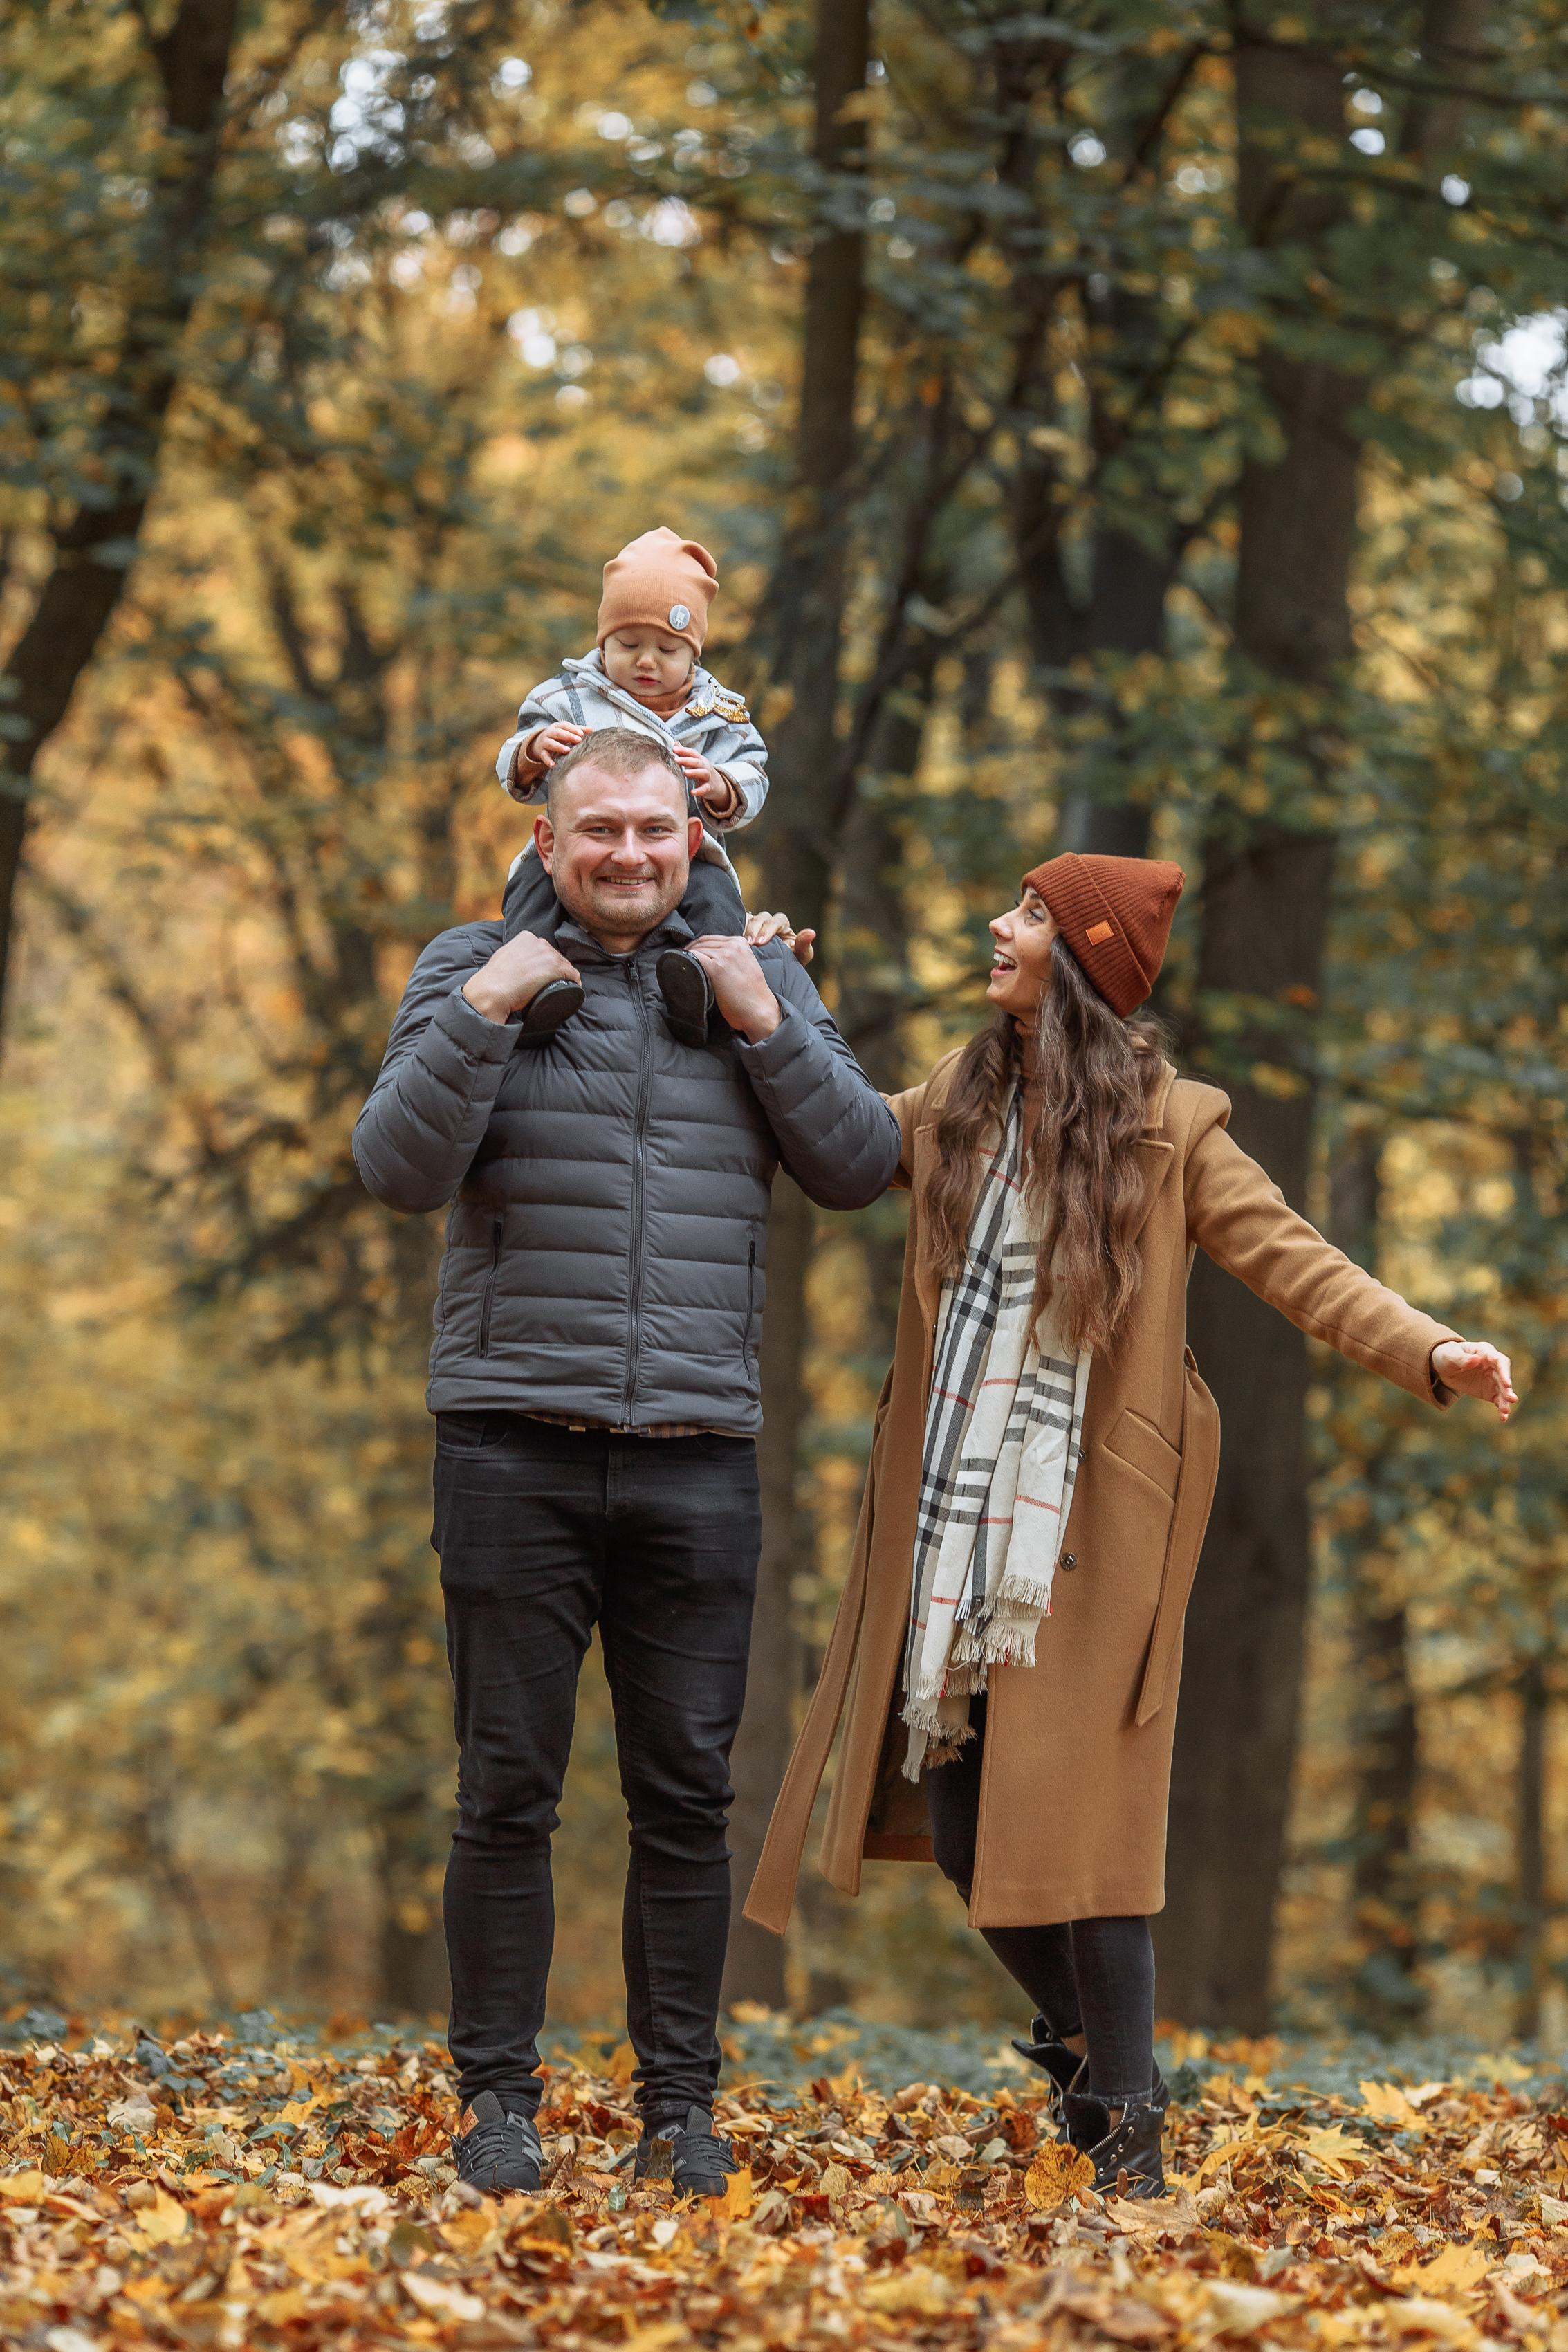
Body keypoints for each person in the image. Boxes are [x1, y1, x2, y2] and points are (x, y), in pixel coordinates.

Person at [744, 849, 1515, 2198]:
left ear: (1086, 959)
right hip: (955, 1517)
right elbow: (852, 1135)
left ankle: (1125, 2141)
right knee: (966, 1828)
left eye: (1030, 914)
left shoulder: (1169, 1128)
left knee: (1089, 1842)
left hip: (1085, 1522)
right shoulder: (959, 1098)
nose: (998, 925)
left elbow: (1293, 1258)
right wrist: (781, 996)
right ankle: (1111, 2076)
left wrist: (1429, 1346)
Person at [352, 728, 900, 2200]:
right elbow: (395, 1168)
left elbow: (859, 1164)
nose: (627, 857)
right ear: (547, 839)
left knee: (685, 1796)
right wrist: (480, 1008)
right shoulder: (468, 962)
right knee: (504, 1791)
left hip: (695, 1452)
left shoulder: (756, 976)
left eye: (654, 832)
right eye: (596, 830)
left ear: (693, 840)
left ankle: (679, 2109)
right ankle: (495, 2107)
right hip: (508, 1443)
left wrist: (764, 1018)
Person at [495, 526, 770, 1045]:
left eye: (667, 649)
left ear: (695, 655)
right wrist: (534, 750)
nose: (646, 661)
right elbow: (512, 763)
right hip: (578, 846)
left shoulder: (719, 713)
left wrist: (722, 783)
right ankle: (533, 989)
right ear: (603, 642)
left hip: (689, 852)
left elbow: (753, 772)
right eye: (628, 644)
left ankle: (703, 992)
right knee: (531, 892)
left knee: (718, 905)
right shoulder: (568, 697)